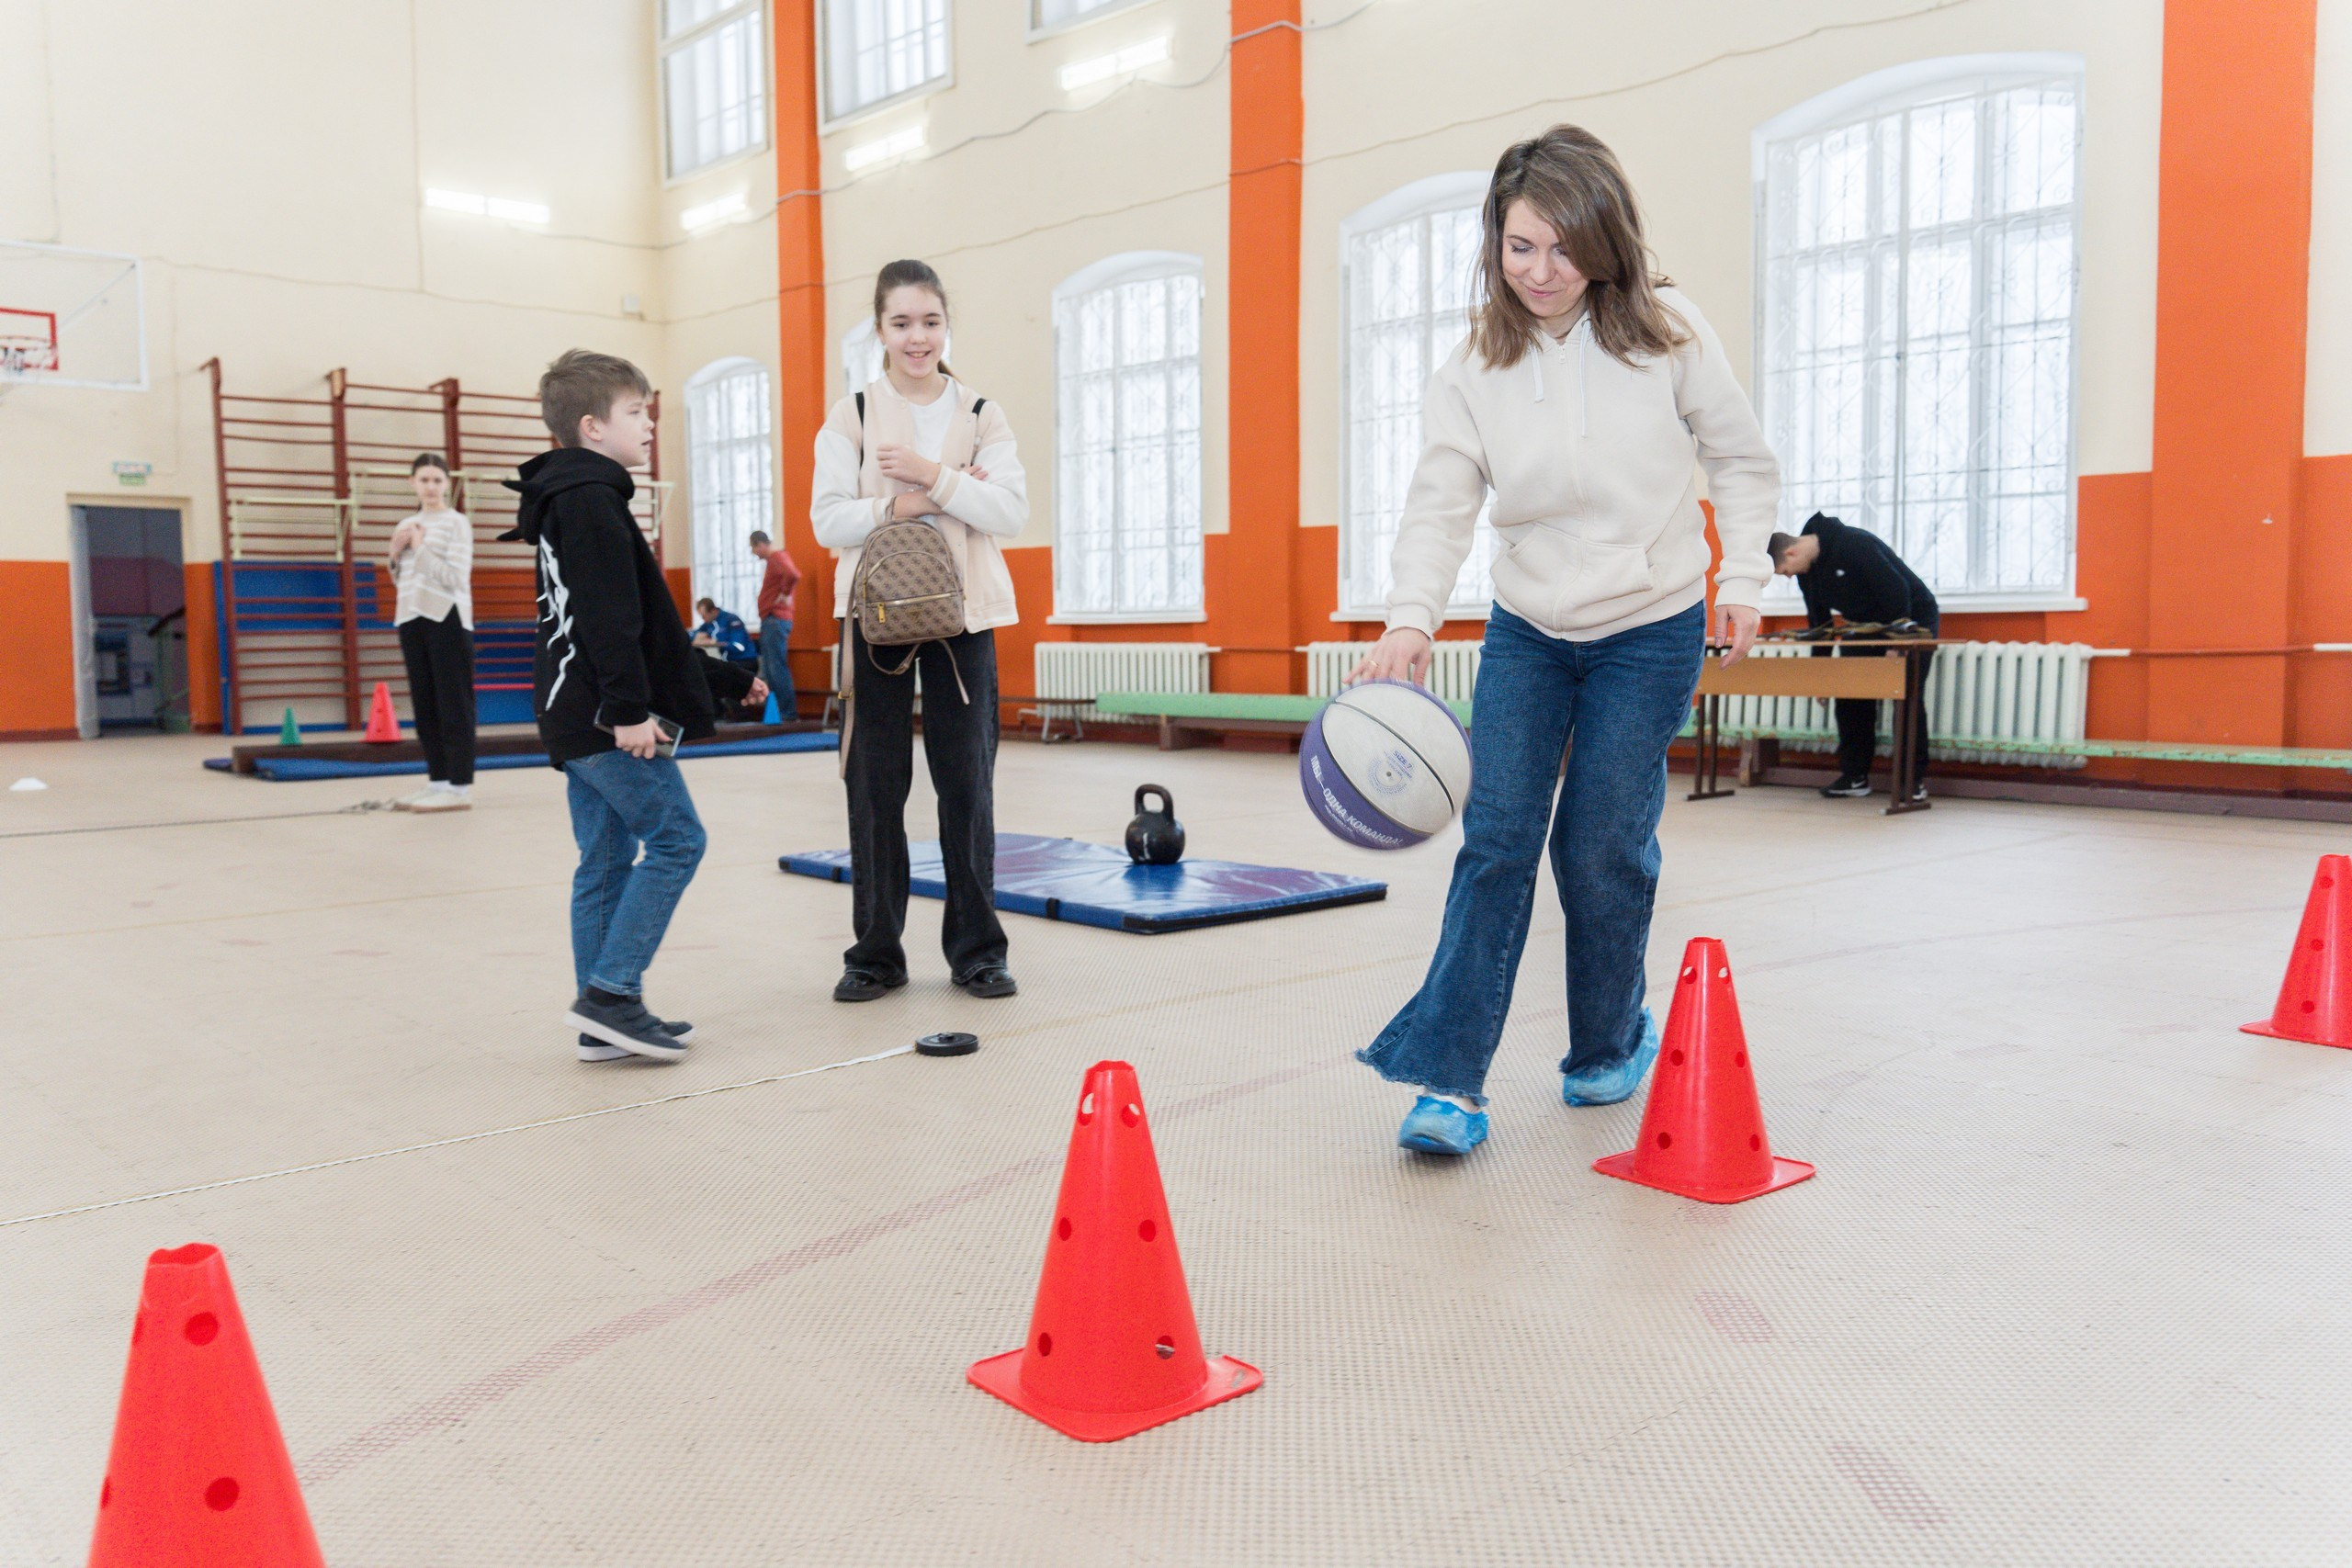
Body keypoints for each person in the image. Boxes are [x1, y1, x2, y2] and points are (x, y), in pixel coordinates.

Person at [1347, 124, 1781, 1156]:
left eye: (1563, 246)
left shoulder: (1667, 332)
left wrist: (1747, 578)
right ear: (1493, 245)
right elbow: (1440, 503)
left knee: (1598, 844)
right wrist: (1410, 617)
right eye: (1519, 246)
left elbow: (1741, 458)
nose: (1542, 272)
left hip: (1651, 623)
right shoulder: (1472, 366)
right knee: (1497, 840)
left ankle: (1605, 1047)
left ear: (1605, 237)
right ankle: (1449, 1082)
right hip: (1528, 631)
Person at [505, 349, 764, 1064]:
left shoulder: (574, 494)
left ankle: (601, 1018)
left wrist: (723, 676)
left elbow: (641, 621)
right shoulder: (589, 499)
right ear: (592, 426)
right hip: (601, 716)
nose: (650, 425)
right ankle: (612, 993)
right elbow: (609, 621)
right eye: (636, 413)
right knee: (679, 839)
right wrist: (625, 712)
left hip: (569, 712)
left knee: (607, 858)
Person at [811, 258, 1027, 1004]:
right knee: (876, 784)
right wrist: (896, 507)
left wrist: (933, 477)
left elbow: (1012, 512)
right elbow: (827, 517)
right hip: (875, 619)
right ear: (880, 329)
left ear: (945, 326)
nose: (917, 336)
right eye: (901, 322)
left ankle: (977, 950)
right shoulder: (854, 417)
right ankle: (875, 953)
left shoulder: (981, 414)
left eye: (930, 321)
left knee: (966, 780)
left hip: (964, 616)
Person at [1770, 513, 1939, 801]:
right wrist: (1820, 676)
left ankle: (1913, 781)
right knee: (1849, 694)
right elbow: (1819, 625)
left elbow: (1897, 592)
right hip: (1863, 625)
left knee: (1907, 697)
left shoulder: (1854, 544)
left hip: (1910, 618)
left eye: (1784, 570)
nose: (1787, 576)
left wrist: (1898, 643)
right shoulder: (1807, 574)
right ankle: (1855, 776)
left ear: (1791, 552)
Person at [388, 452, 475, 812]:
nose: (431, 487)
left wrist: (420, 547)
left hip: (447, 618)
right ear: (413, 483)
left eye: (437, 480)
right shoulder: (406, 524)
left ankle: (459, 788)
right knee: (425, 705)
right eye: (424, 480)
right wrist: (395, 553)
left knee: (453, 703)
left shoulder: (456, 523)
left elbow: (455, 577)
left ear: (447, 484)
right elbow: (401, 578)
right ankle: (437, 781)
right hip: (411, 616)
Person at [750, 531, 801, 719]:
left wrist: (785, 594)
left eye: (753, 548)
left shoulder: (777, 557)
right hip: (773, 620)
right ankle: (784, 713)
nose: (754, 553)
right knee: (773, 669)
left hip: (775, 619)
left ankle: (788, 714)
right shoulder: (775, 560)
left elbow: (793, 574)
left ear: (759, 544)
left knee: (776, 668)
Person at [691, 597, 758, 667]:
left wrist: (715, 643)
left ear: (713, 611)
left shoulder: (732, 620)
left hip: (744, 660)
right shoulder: (708, 624)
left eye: (704, 616)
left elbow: (738, 647)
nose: (703, 620)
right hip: (727, 662)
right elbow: (693, 634)